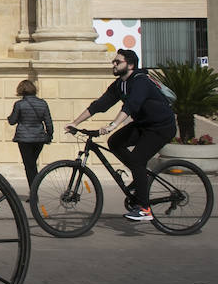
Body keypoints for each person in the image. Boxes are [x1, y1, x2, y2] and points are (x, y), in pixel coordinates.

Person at [66, 48, 177, 222]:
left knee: (138, 160)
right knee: (115, 142)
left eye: (118, 62)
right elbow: (100, 105)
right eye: (114, 62)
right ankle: (141, 177)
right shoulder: (120, 84)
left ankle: (145, 209)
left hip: (161, 127)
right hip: (143, 125)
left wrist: (113, 125)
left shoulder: (141, 81)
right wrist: (75, 122)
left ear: (130, 65)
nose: (114, 64)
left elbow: (132, 105)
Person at [8, 80, 54, 188]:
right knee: (32, 164)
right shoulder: (43, 103)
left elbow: (12, 121)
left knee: (29, 166)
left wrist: (10, 118)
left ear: (21, 90)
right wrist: (49, 135)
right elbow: (48, 122)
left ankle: (34, 192)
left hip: (24, 139)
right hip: (39, 138)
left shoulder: (19, 104)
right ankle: (35, 189)